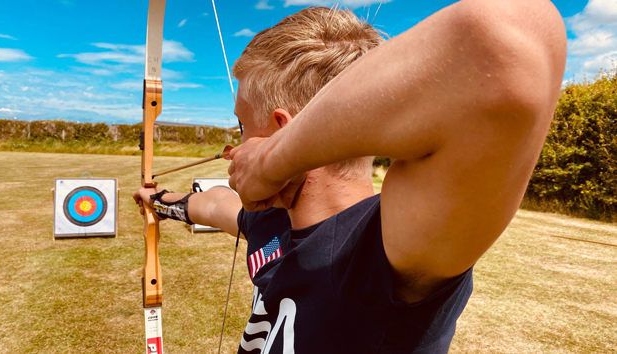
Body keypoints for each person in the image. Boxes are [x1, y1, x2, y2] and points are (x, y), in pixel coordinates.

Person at [134, 0, 567, 352]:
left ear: (280, 132)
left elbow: (510, 33)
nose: (236, 146)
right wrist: (159, 199)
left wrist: (271, 163)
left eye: (243, 128)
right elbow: (215, 206)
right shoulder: (272, 221)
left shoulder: (388, 245)